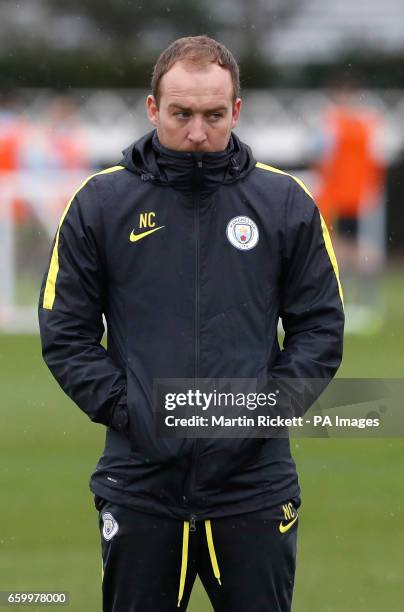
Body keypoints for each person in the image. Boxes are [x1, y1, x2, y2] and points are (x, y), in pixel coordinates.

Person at [38, 36, 344, 612]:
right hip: (139, 485)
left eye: (213, 115)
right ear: (153, 109)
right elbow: (65, 331)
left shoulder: (285, 203)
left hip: (254, 487)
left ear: (237, 110)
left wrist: (260, 413)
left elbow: (321, 329)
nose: (198, 132)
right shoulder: (99, 203)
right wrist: (131, 410)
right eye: (181, 114)